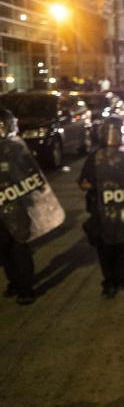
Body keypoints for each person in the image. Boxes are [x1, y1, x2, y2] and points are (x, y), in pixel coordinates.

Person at [79, 119, 124, 300]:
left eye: (117, 132)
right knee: (106, 252)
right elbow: (83, 182)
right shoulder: (94, 159)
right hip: (103, 215)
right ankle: (111, 282)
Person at [0, 109, 36, 305]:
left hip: (16, 206)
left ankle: (26, 287)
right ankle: (14, 282)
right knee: (4, 249)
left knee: (19, 247)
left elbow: (31, 176)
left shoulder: (17, 149)